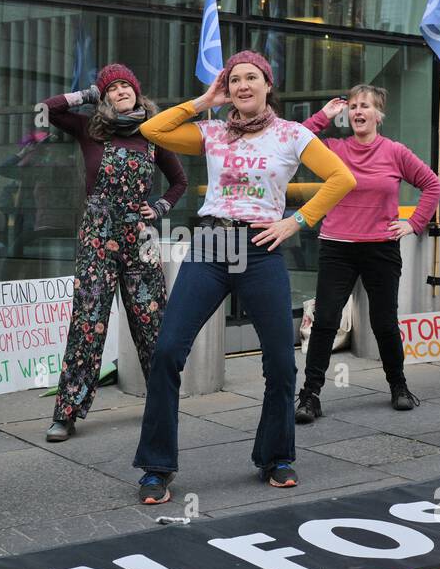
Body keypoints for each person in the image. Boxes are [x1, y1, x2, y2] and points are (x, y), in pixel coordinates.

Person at [130, 50, 355, 503]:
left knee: (279, 360)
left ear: (268, 84)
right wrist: (203, 100)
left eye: (252, 77)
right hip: (212, 245)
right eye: (234, 81)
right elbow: (151, 129)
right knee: (169, 350)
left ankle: (276, 456)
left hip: (261, 247)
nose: (243, 86)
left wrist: (296, 221)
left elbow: (341, 179)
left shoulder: (292, 135)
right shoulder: (213, 133)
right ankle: (157, 466)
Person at [40, 64, 187, 441]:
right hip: (97, 237)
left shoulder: (154, 134)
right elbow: (48, 109)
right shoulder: (92, 128)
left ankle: (163, 405)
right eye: (112, 88)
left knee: (152, 322)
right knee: (88, 323)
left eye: (126, 85)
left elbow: (179, 181)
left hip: (138, 238)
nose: (121, 90)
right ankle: (67, 412)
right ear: (105, 98)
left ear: (137, 91)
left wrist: (159, 209)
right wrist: (88, 95)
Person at [294, 85, 440, 423]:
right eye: (354, 106)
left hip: (380, 248)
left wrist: (414, 224)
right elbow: (294, 142)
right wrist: (323, 116)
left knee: (384, 322)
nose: (358, 111)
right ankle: (310, 395)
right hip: (337, 247)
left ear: (378, 115)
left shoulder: (395, 151)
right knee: (326, 321)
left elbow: (432, 185)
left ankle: (399, 386)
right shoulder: (334, 149)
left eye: (366, 106)